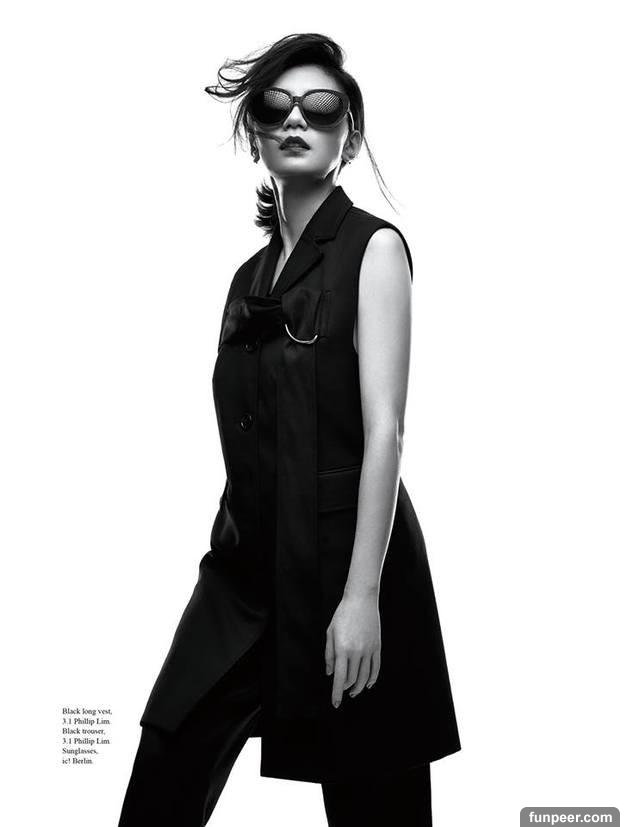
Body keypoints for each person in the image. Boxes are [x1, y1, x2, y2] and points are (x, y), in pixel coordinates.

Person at [118, 32, 461, 827]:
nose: (296, 119)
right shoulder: (247, 281)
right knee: (165, 765)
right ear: (255, 133)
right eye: (276, 106)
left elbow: (386, 431)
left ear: (350, 136)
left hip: (348, 568)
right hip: (243, 577)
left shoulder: (375, 249)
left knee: (377, 804)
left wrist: (362, 597)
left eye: (321, 105)